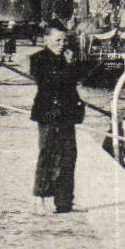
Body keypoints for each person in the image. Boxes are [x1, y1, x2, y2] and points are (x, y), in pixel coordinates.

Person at [29, 22, 86, 214]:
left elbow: (74, 83)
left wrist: (72, 66)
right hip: (48, 113)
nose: (62, 44)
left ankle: (65, 201)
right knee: (48, 155)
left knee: (69, 156)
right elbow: (51, 84)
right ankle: (40, 199)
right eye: (58, 40)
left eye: (64, 40)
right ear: (46, 40)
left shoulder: (67, 60)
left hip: (67, 114)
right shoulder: (38, 60)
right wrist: (69, 68)